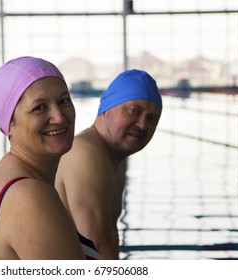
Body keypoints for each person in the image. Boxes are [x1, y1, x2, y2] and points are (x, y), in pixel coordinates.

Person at [0, 56, 101, 260]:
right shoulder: (27, 197)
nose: (59, 116)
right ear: (9, 123)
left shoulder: (8, 173)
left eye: (63, 101)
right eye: (39, 107)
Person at [55, 69, 163, 259]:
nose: (143, 124)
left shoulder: (114, 158)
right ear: (105, 109)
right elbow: (95, 247)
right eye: (134, 111)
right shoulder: (86, 153)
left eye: (152, 119)